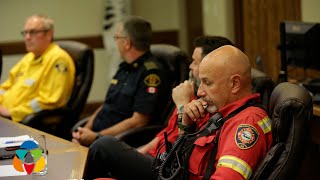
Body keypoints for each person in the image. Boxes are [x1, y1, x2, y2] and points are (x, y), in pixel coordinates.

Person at [85, 45, 272, 180]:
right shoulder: (223, 110)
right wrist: (186, 124)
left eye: (208, 82)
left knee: (104, 149)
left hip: (173, 174)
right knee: (104, 151)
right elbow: (183, 152)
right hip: (172, 171)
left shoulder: (246, 124)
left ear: (235, 84)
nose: (199, 92)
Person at [72, 16, 165, 146]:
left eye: (117, 38)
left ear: (127, 43)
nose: (115, 43)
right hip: (98, 136)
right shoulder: (124, 67)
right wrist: (85, 130)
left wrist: (97, 137)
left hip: (116, 142)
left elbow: (139, 121)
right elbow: (107, 104)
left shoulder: (150, 74)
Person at [138, 36, 234, 156]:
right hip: (155, 157)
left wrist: (182, 106)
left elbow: (181, 149)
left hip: (166, 164)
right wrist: (138, 153)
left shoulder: (208, 104)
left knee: (108, 145)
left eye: (195, 62)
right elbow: (166, 133)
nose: (190, 66)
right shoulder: (190, 94)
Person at [0, 14, 75, 122]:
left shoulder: (58, 60)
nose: (27, 37)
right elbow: (6, 87)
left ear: (48, 34)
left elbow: (50, 100)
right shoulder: (29, 57)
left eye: (33, 32)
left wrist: (12, 112)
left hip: (26, 122)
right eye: (25, 33)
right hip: (5, 116)